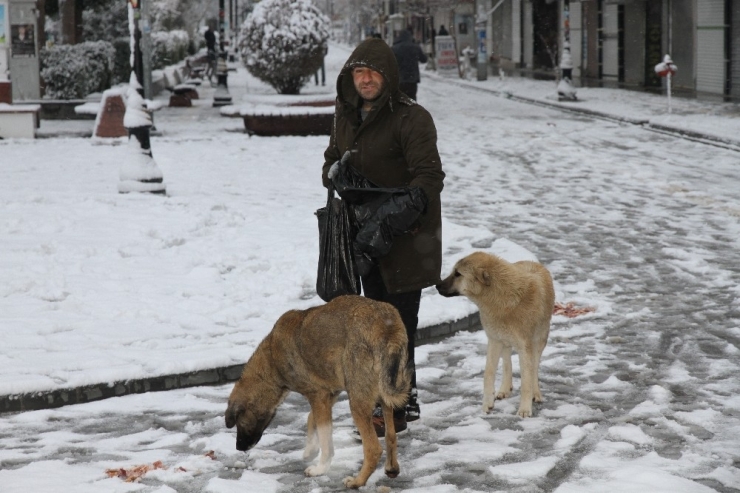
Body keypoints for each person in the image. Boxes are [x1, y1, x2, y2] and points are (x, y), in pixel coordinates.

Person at [322, 38, 445, 436]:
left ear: (388, 75)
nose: (366, 80)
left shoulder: (412, 118)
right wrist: (336, 173)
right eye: (359, 73)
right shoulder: (346, 113)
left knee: (399, 326)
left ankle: (397, 404)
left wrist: (387, 222)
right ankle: (389, 401)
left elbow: (429, 178)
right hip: (361, 241)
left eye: (373, 72)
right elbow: (330, 158)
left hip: (406, 241)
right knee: (372, 326)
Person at [392, 28, 428, 101]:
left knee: (400, 101)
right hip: (412, 80)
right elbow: (424, 60)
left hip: (400, 79)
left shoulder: (394, 48)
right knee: (412, 100)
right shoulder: (415, 47)